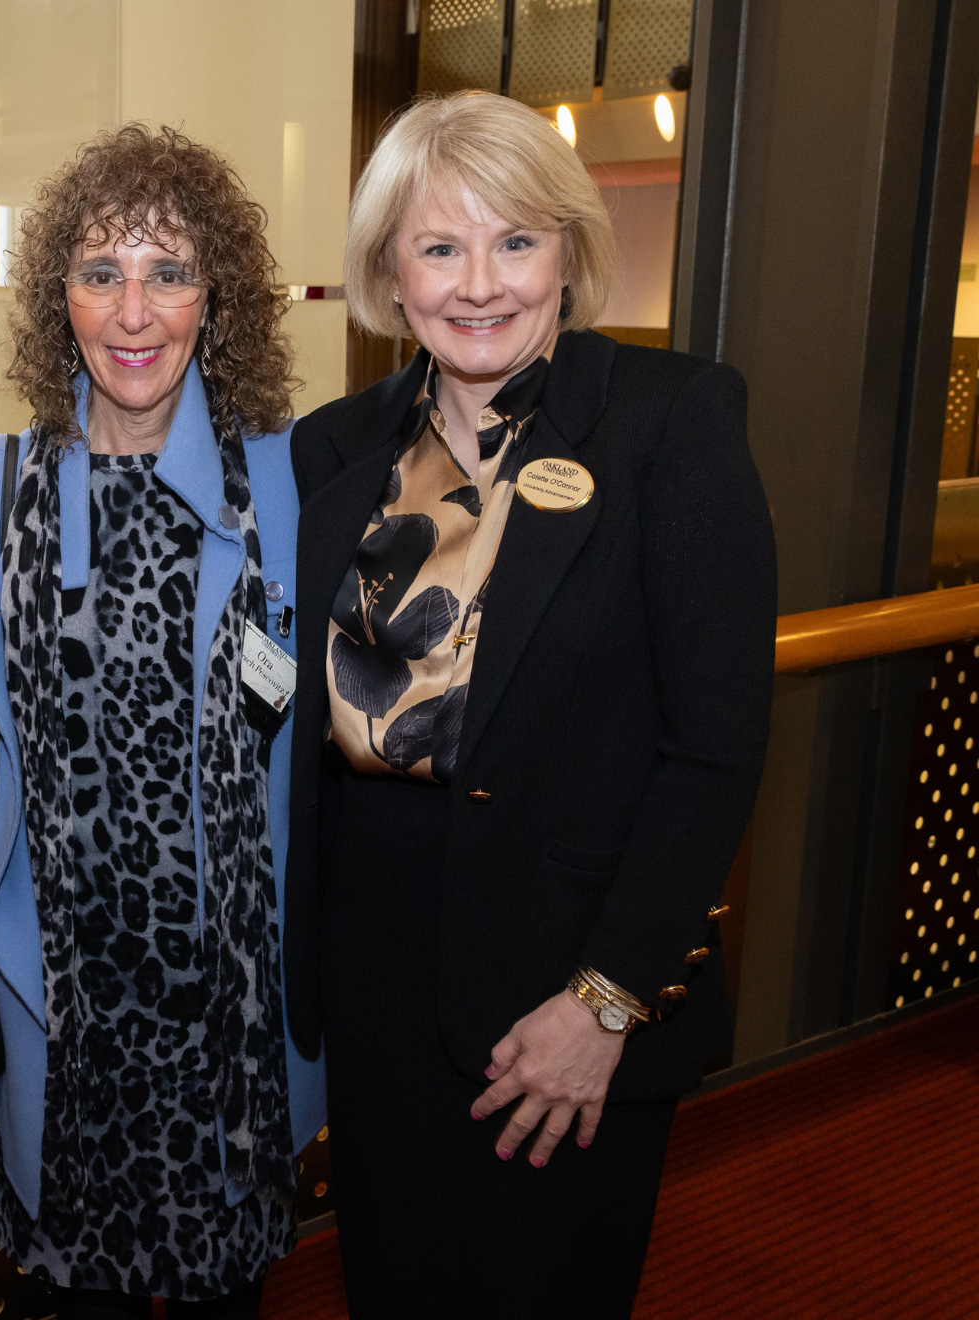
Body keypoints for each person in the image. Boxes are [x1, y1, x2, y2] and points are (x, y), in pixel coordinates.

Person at [285, 90, 777, 1317]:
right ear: (388, 273)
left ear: (568, 253)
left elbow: (713, 749)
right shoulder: (332, 446)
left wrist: (607, 1001)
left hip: (570, 967)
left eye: (515, 241)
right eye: (438, 246)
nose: (478, 284)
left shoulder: (670, 420)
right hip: (371, 965)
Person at [0, 123, 323, 1320]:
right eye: (100, 272)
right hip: (57, 1004)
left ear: (217, 298)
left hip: (229, 1022)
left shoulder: (293, 484)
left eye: (169, 272)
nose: (133, 311)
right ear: (61, 298)